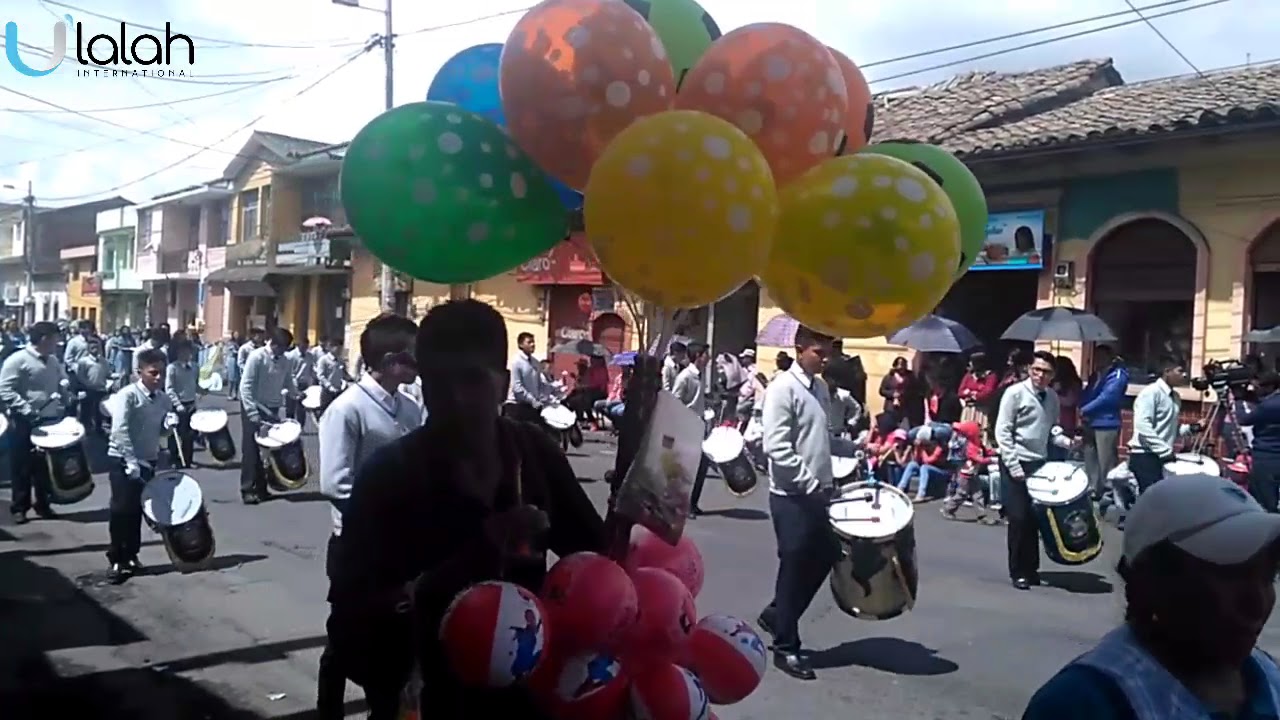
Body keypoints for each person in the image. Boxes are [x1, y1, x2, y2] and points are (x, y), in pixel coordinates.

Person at [326, 299, 606, 718]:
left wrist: (640, 482)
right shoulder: (390, 476)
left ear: (504, 384)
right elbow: (350, 630)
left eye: (473, 380)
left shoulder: (534, 455)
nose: (456, 400)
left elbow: (599, 566)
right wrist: (475, 554)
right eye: (439, 383)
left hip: (523, 704)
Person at [1023, 473, 1280, 720]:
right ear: (1153, 583)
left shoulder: (1268, 680)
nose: (1257, 603)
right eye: (1230, 575)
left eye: (1267, 577)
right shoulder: (1083, 705)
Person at [316, 315, 425, 719]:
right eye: (412, 358)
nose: (417, 366)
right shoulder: (348, 410)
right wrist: (378, 518)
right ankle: (329, 707)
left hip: (400, 545)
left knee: (391, 639)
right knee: (345, 634)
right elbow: (335, 482)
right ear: (392, 359)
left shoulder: (410, 409)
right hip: (356, 544)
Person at [758, 326, 852, 680]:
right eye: (819, 352)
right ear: (800, 349)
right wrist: (808, 482)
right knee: (794, 564)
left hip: (818, 492)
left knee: (827, 554)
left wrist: (854, 450)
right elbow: (777, 447)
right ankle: (786, 646)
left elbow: (822, 438)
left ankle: (778, 613)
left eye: (829, 351)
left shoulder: (821, 388)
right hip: (792, 495)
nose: (825, 358)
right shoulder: (783, 388)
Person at [105, 347, 173, 584]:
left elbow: (160, 433)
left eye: (162, 373)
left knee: (138, 510)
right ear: (139, 372)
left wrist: (168, 427)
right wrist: (130, 460)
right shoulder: (128, 395)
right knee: (121, 510)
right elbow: (119, 429)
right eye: (153, 373)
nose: (159, 378)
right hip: (123, 460)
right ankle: (116, 558)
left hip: (147, 459)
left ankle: (132, 554)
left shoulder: (163, 398)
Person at [994, 350, 1061, 590]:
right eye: (1036, 370)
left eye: (1046, 372)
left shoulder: (1051, 397)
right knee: (1018, 517)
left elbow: (1052, 427)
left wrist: (1064, 440)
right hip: (1016, 461)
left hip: (1038, 462)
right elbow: (1003, 431)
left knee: (1035, 518)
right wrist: (1013, 465)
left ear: (1052, 376)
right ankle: (1017, 571)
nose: (1040, 375)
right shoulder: (1014, 393)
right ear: (1029, 370)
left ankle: (1031, 568)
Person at [0, 321, 69, 524]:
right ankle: (19, 507)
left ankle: (43, 503)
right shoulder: (18, 360)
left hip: (49, 419)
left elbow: (60, 379)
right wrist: (26, 409)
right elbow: (4, 389)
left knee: (45, 466)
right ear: (45, 339)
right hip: (24, 421)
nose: (58, 343)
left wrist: (65, 391)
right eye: (55, 338)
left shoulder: (53, 360)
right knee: (22, 465)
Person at [239, 328, 299, 504]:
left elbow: (288, 380)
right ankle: (248, 489)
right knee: (251, 450)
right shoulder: (256, 357)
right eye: (280, 348)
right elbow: (245, 387)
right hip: (254, 407)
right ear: (272, 343)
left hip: (272, 408)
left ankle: (263, 488)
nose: (282, 352)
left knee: (269, 450)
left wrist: (296, 394)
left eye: (285, 349)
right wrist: (252, 412)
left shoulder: (286, 361)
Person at [1128, 356, 1197, 494]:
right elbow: (1143, 426)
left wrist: (1190, 429)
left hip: (1162, 457)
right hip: (1145, 456)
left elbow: (1170, 428)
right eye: (1180, 371)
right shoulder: (1151, 393)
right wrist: (1164, 450)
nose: (1184, 375)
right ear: (1167, 371)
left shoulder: (1175, 397)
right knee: (1151, 501)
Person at [1079, 345, 1129, 500]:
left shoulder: (1118, 374)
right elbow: (1088, 392)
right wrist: (1081, 405)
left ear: (1110, 357)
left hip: (1106, 423)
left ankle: (1108, 494)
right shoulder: (1096, 375)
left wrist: (1086, 409)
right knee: (1090, 457)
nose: (1098, 359)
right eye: (1096, 356)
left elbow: (1108, 397)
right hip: (1090, 422)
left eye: (1101, 356)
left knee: (1106, 460)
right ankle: (1093, 489)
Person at [673, 341, 711, 517]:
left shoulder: (701, 375)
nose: (708, 358)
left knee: (701, 467)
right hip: (688, 426)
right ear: (698, 356)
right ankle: (683, 505)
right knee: (688, 468)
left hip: (700, 424)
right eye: (706, 355)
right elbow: (675, 401)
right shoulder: (685, 377)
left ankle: (693, 503)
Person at [1241, 371, 1280, 511]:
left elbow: (1244, 420)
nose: (1256, 391)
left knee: (1264, 501)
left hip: (1265, 457)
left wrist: (1239, 400)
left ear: (1270, 387)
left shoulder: (1268, 406)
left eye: (1259, 387)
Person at [165, 340, 200, 470]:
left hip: (191, 404)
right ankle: (174, 459)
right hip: (178, 405)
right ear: (178, 353)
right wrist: (177, 404)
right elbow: (169, 389)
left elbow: (195, 384)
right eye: (183, 351)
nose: (187, 354)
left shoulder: (195, 367)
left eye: (188, 351)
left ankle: (188, 460)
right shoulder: (172, 368)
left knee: (189, 434)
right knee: (175, 434)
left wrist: (203, 390)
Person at [504, 331, 548, 424]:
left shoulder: (535, 362)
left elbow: (540, 385)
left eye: (533, 342)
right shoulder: (516, 362)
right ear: (521, 345)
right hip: (516, 406)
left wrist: (553, 389)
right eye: (529, 342)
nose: (533, 344)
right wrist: (533, 401)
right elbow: (517, 388)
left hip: (532, 407)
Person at [75, 337, 112, 435]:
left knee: (99, 411)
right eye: (92, 348)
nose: (95, 349)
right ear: (88, 349)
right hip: (88, 390)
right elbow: (80, 376)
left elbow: (108, 374)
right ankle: (84, 430)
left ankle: (98, 429)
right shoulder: (83, 361)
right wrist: (88, 384)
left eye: (97, 347)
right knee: (86, 412)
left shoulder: (104, 361)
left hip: (101, 389)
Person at [1051, 356, 1083, 460]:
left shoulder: (1073, 383)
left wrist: (1055, 394)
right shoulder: (1052, 381)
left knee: (1063, 448)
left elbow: (1070, 401)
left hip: (1066, 419)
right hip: (1053, 419)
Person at [958, 352, 1000, 431]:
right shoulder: (969, 375)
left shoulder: (990, 376)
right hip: (968, 410)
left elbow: (987, 393)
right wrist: (975, 393)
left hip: (982, 411)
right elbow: (960, 392)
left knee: (980, 432)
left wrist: (969, 393)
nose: (970, 364)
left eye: (972, 362)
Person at [289, 336, 318, 428]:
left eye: (306, 346)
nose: (304, 348)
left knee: (302, 407)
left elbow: (312, 369)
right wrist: (293, 384)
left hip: (304, 384)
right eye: (303, 346)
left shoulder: (309, 356)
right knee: (290, 408)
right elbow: (289, 371)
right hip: (292, 384)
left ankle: (301, 427)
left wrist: (313, 380)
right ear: (298, 345)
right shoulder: (291, 356)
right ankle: (289, 427)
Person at [315, 337, 349, 415]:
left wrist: (348, 381)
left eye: (340, 347)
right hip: (327, 392)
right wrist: (329, 386)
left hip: (338, 391)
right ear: (330, 347)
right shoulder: (323, 360)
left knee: (337, 414)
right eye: (336, 347)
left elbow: (344, 374)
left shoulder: (340, 360)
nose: (339, 349)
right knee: (325, 414)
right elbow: (320, 375)